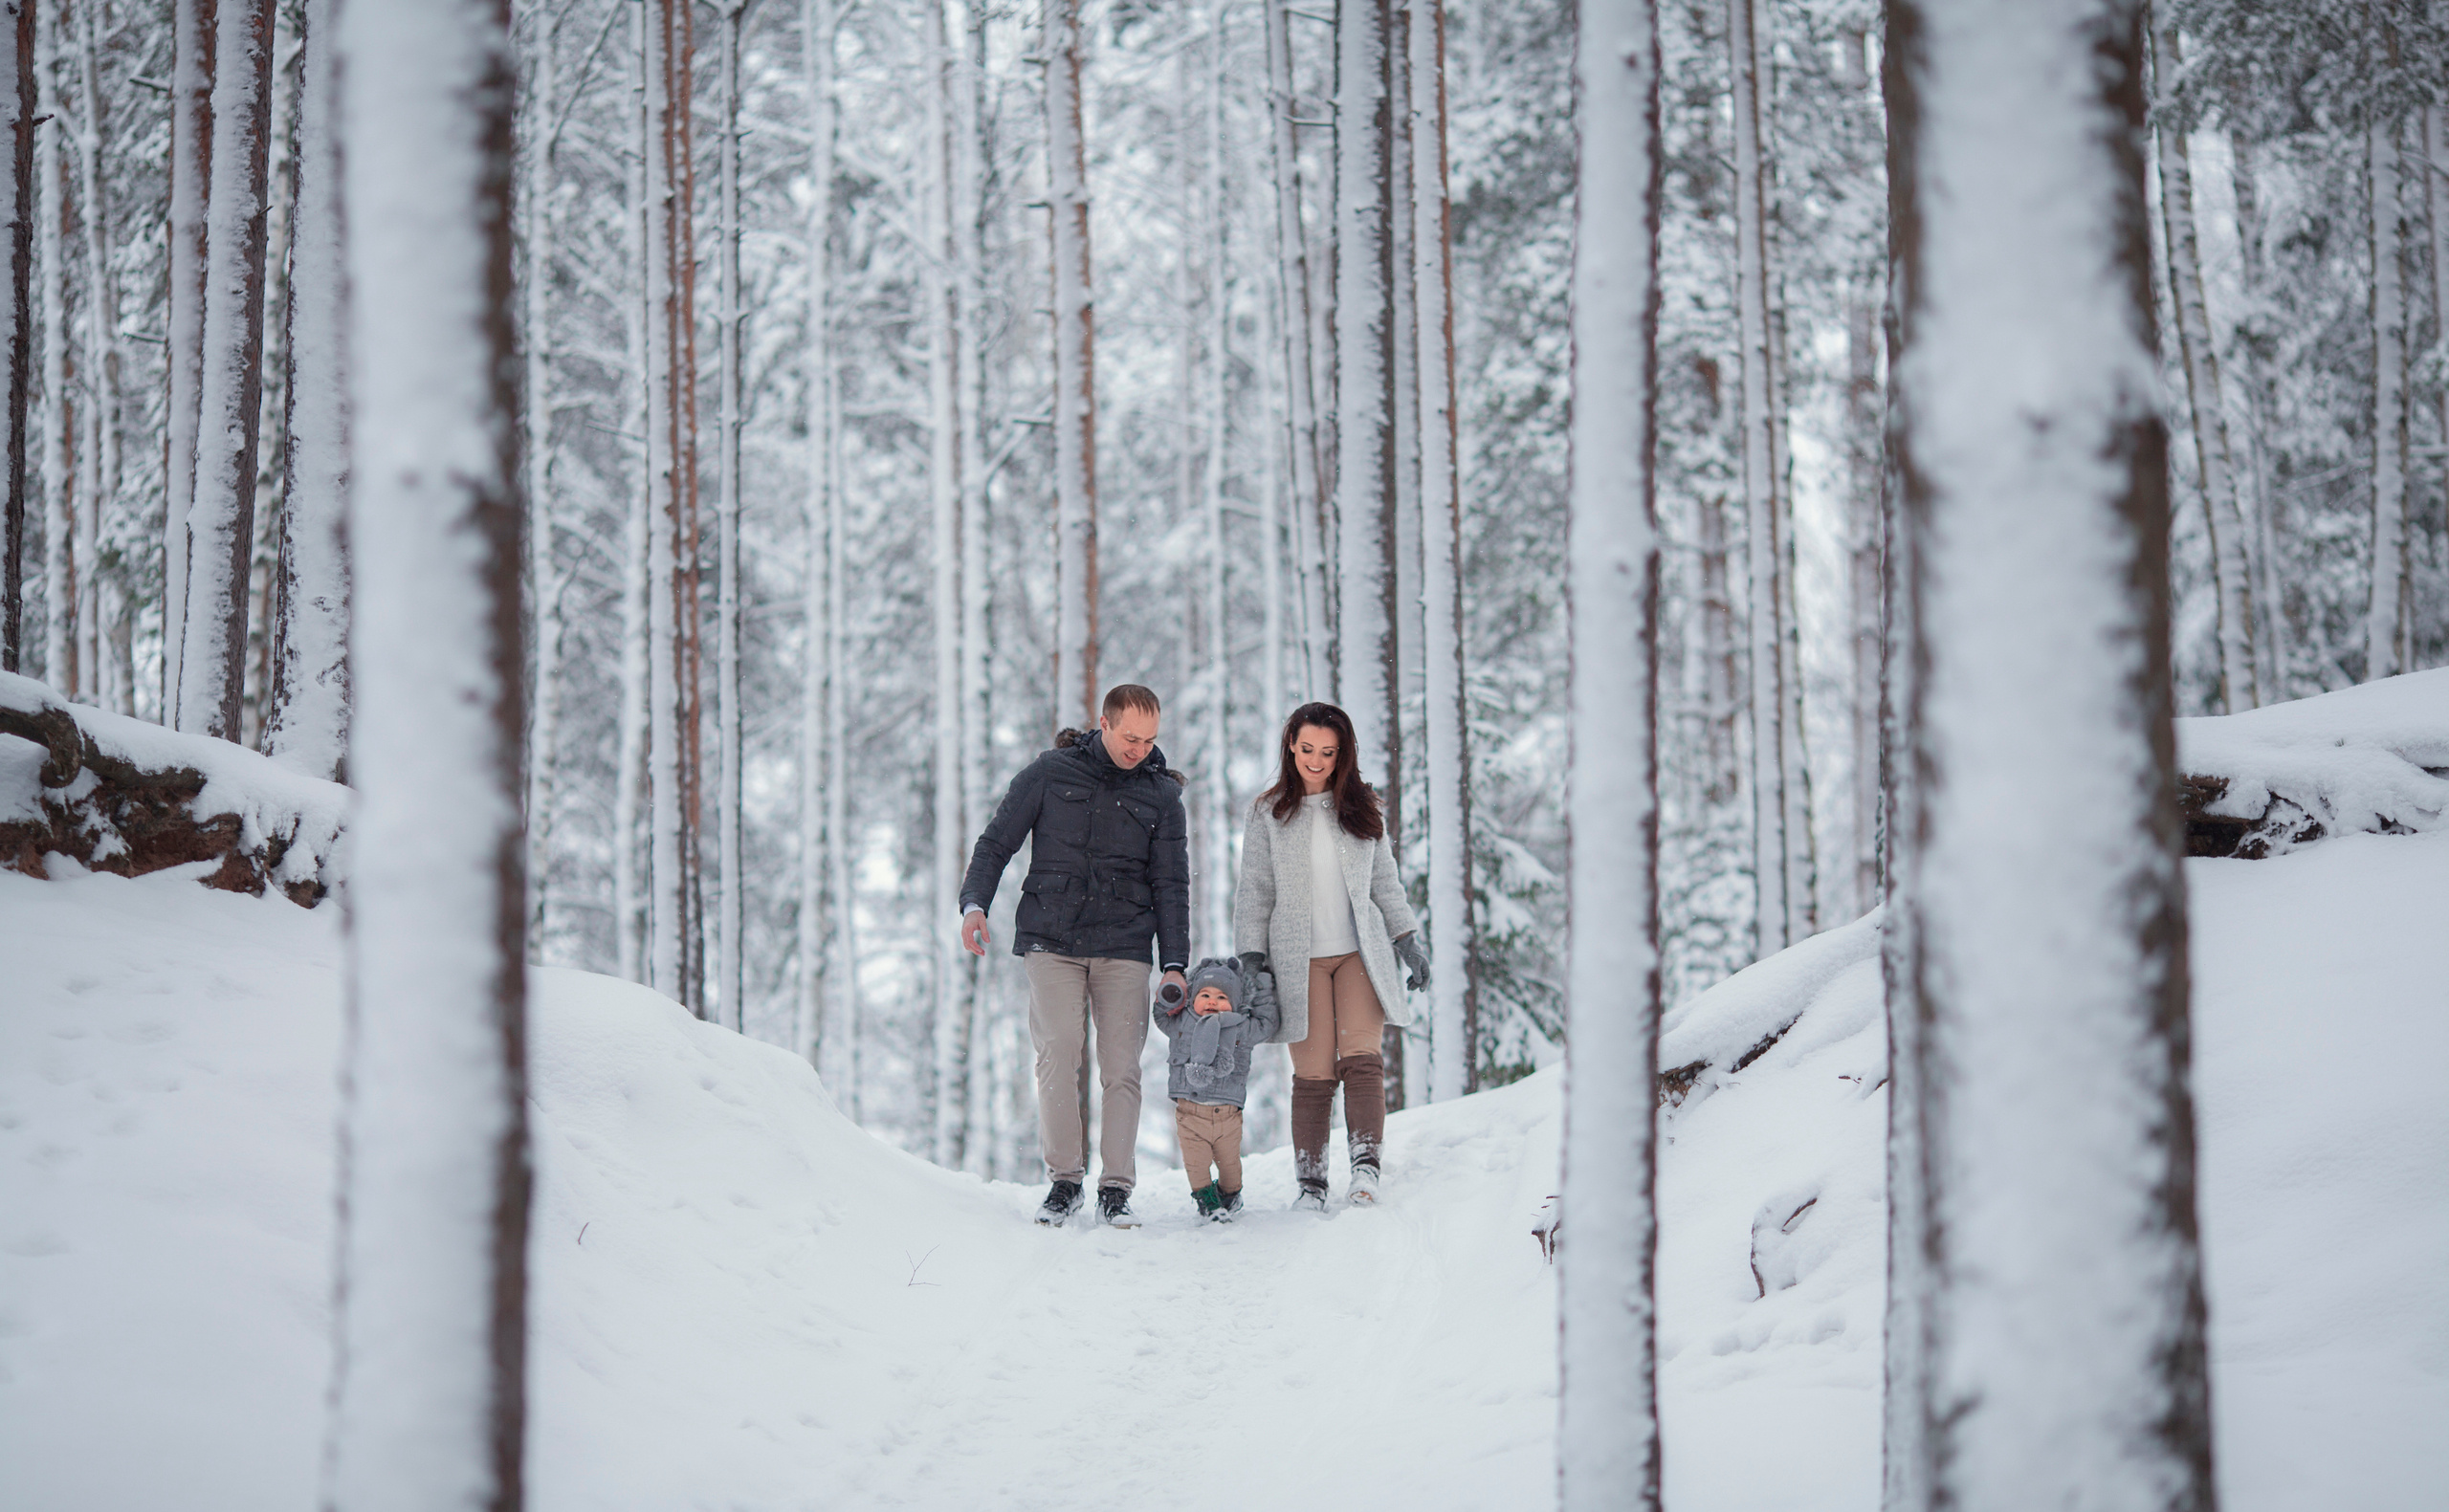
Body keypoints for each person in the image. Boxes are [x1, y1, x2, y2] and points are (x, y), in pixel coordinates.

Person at [960, 684, 1191, 1228]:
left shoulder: (1162, 796)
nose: (1140, 749)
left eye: (1150, 740)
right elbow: (996, 842)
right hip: (1052, 939)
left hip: (1125, 943)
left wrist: (1175, 962)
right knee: (1058, 1055)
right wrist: (975, 904)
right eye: (1130, 738)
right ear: (1104, 725)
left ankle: (1115, 1188)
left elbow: (1172, 885)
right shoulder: (1050, 772)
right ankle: (1065, 1182)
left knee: (1121, 1067)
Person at [1232, 702, 1430, 1212]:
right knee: (1314, 1075)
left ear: (1342, 754)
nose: (1316, 761)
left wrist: (1406, 937)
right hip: (1299, 961)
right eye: (1306, 750)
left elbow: (1384, 881)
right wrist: (1252, 960)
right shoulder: (1268, 812)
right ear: (1290, 747)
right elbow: (1254, 892)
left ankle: (1365, 1169)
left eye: (1327, 752)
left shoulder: (1363, 807)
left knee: (1362, 1061)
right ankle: (1312, 1184)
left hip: (1358, 953)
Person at [1152, 955, 1280, 1222]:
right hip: (1190, 1114)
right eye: (1205, 995)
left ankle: (1231, 1195)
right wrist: (1172, 992)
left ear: (1235, 1003)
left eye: (1222, 997)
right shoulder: (1182, 1022)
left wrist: (1264, 989)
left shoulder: (1241, 1027)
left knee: (1231, 1169)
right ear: (1192, 998)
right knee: (1196, 1166)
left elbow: (1268, 1025)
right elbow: (1160, 1014)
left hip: (1228, 1116)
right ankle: (1208, 1204)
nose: (1212, 1001)